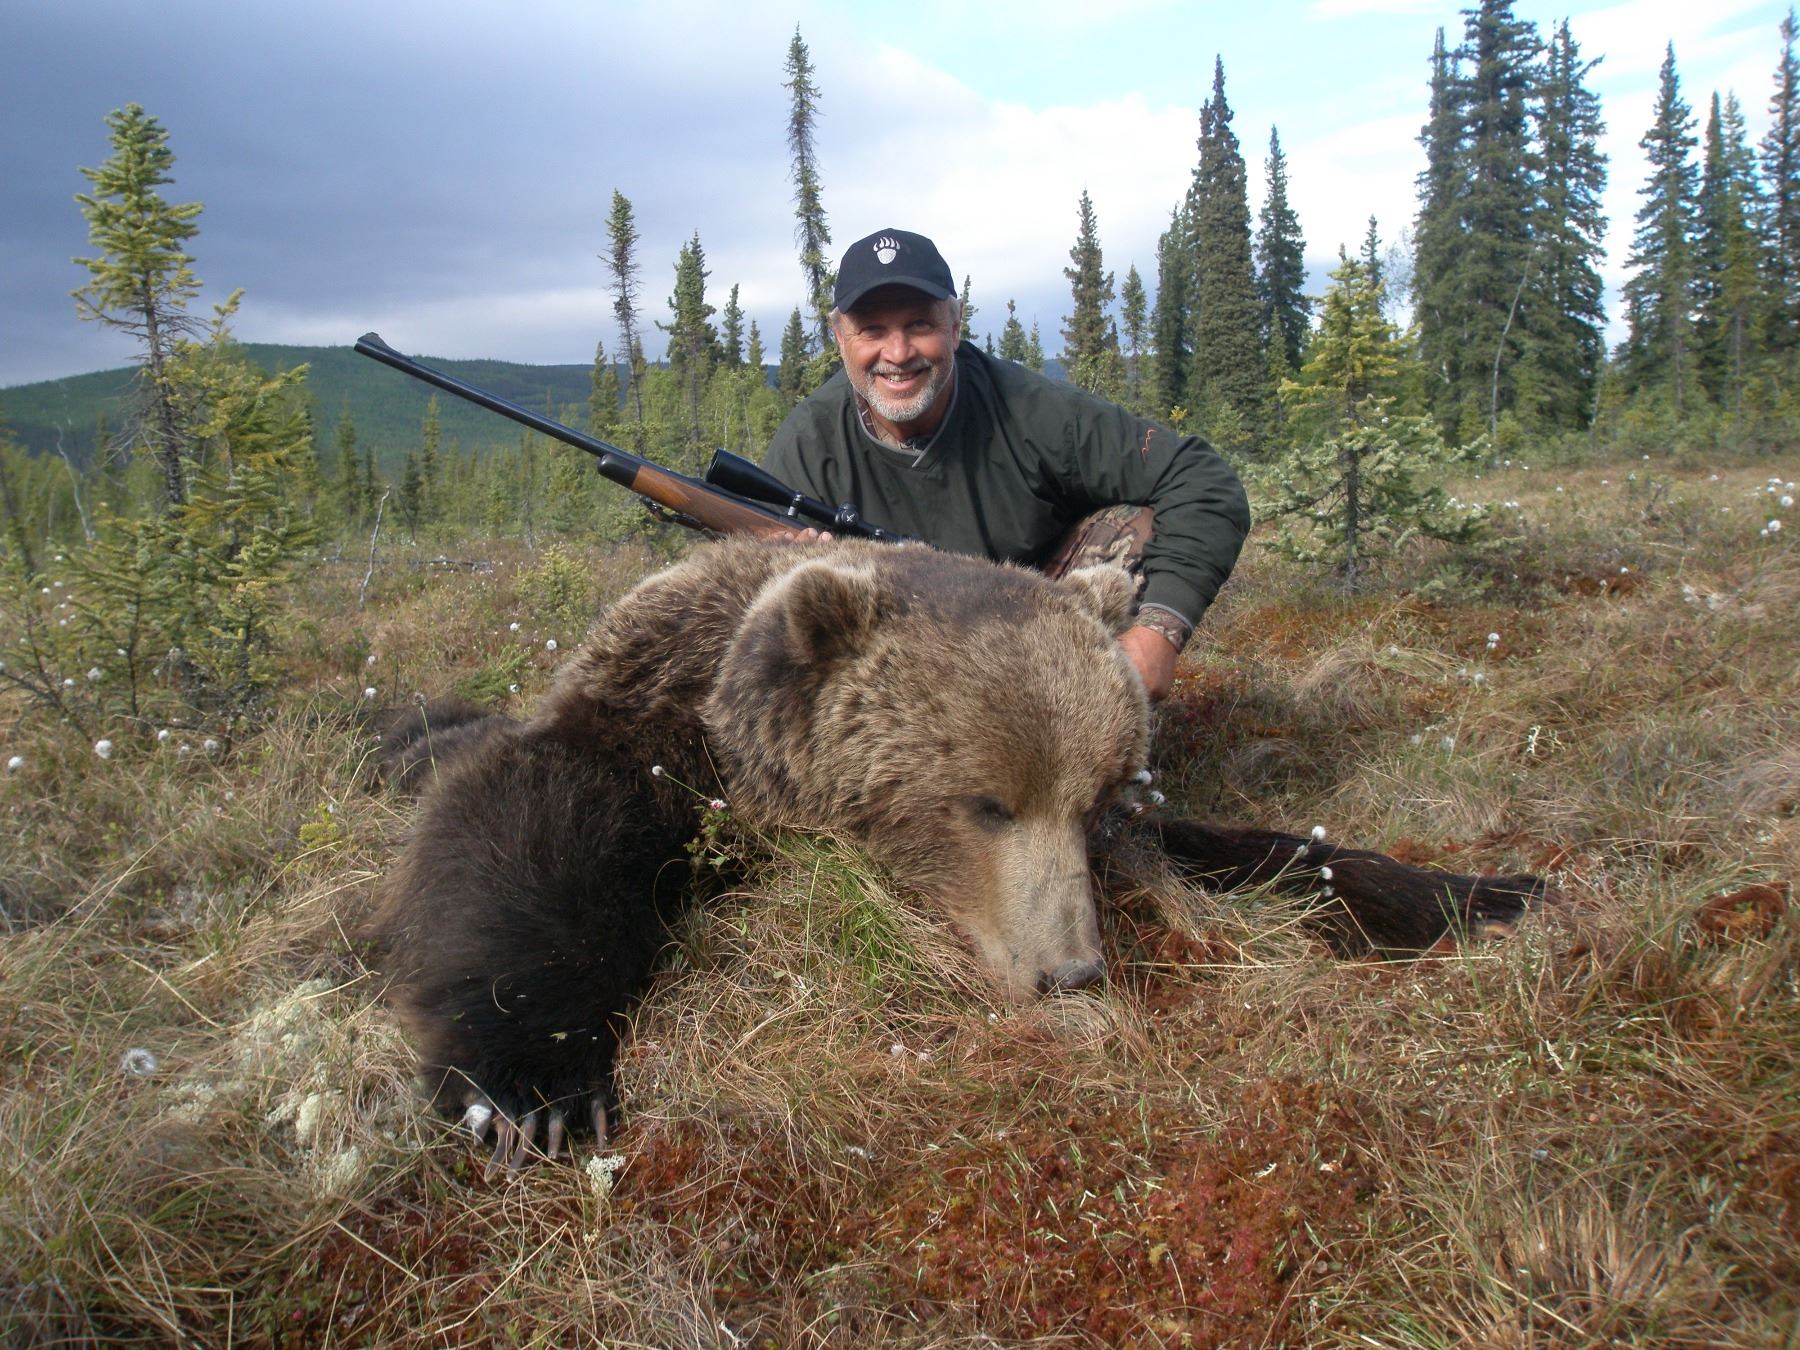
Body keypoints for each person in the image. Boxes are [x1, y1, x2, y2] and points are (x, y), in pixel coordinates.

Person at [762, 228, 1250, 701]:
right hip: (897, 666)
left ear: (955, 327)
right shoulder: (807, 445)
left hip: (1040, 634)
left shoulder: (1032, 410)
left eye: (920, 325)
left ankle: (1098, 719)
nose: (898, 353)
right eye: (872, 329)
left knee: (1132, 525)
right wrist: (780, 562)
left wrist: (1159, 632)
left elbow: (1200, 477)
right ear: (839, 337)